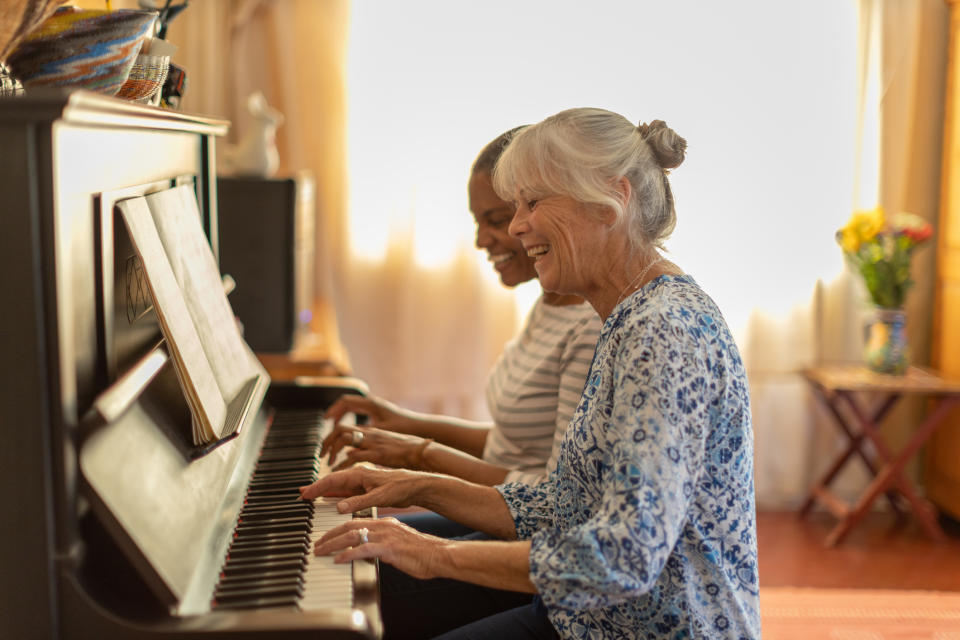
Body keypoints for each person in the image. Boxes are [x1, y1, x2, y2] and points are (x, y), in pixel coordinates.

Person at [300, 108, 760, 639]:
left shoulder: (663, 331)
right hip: (587, 617)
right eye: (514, 207)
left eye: (532, 203)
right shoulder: (630, 314)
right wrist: (417, 484)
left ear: (612, 200)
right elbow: (567, 503)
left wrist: (436, 553)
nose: (518, 226)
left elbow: (625, 556)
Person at [320, 127, 602, 488]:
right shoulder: (552, 301)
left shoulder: (588, 328)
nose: (481, 240)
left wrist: (416, 454)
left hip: (518, 529)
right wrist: (404, 422)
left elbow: (554, 496)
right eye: (477, 222)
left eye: (496, 220)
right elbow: (508, 446)